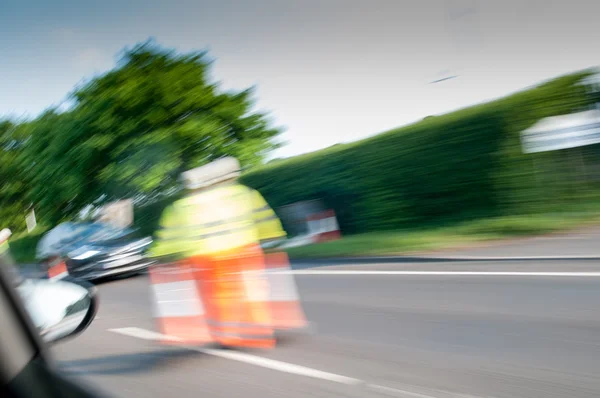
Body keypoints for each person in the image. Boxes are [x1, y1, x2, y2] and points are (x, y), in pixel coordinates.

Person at [149, 157, 287, 348]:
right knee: (252, 291)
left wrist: (159, 256)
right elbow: (263, 220)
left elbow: (170, 239)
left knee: (218, 297)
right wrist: (274, 238)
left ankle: (227, 334)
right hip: (244, 251)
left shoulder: (181, 206)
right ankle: (260, 331)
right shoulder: (243, 193)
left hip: (206, 258)